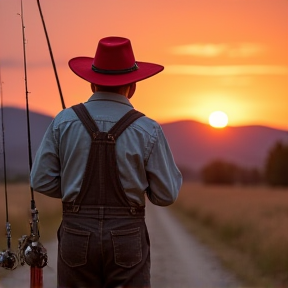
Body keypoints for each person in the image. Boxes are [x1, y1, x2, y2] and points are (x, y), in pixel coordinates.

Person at [30, 36, 182, 288]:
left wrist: (72, 188)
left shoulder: (64, 121)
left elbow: (40, 180)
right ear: (132, 86)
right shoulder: (148, 130)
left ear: (92, 83)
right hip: (127, 236)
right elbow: (166, 195)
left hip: (76, 233)